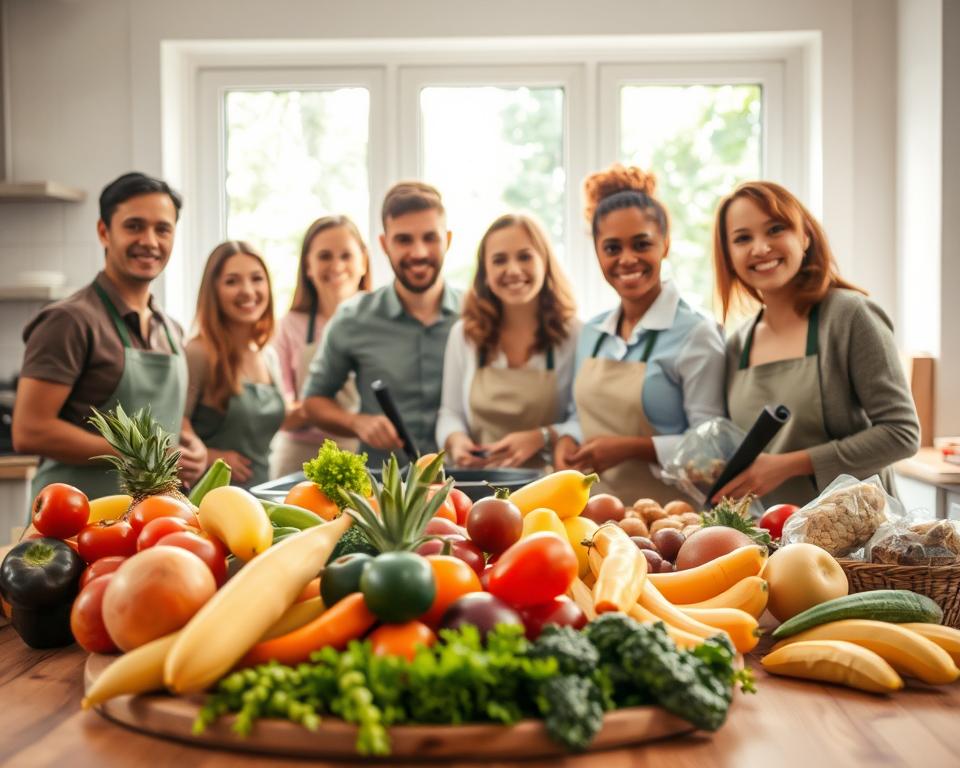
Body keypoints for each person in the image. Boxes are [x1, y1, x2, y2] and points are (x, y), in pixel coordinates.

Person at [711, 181, 920, 506]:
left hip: (857, 537)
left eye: (775, 229)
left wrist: (788, 465)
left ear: (805, 236)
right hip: (773, 540)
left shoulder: (850, 316)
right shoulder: (738, 343)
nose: (761, 247)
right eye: (742, 238)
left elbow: (902, 434)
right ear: (729, 256)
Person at [13, 172, 206, 499]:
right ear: (104, 232)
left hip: (154, 521)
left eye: (163, 229)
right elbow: (30, 430)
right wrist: (139, 456)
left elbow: (170, 419)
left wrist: (193, 444)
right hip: (76, 521)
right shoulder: (70, 321)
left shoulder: (171, 329)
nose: (149, 241)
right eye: (134, 226)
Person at [553, 164, 726, 504]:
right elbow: (579, 416)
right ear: (598, 252)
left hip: (672, 521)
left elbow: (712, 447)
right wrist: (567, 439)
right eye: (612, 248)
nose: (627, 259)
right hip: (594, 515)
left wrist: (634, 449)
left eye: (641, 244)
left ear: (665, 245)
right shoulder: (591, 332)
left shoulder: (697, 335)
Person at [302, 181, 461, 466]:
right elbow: (314, 401)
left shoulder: (477, 314)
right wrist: (358, 422)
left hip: (467, 485)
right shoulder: (353, 318)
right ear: (384, 244)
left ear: (447, 240)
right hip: (384, 492)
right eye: (404, 240)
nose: (419, 252)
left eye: (430, 238)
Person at [436, 213, 579, 469]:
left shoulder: (574, 335)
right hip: (478, 488)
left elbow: (583, 422)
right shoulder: (464, 335)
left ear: (545, 262)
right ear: (485, 273)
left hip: (548, 489)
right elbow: (450, 413)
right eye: (499, 260)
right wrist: (456, 440)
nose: (512, 270)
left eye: (525, 256)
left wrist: (541, 437)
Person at [185, 241, 297, 489]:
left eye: (256, 279)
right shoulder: (198, 353)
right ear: (213, 291)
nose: (247, 290)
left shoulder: (268, 356)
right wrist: (211, 456)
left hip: (260, 494)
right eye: (232, 281)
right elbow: (171, 430)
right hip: (208, 499)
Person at [270, 215, 372, 478]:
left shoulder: (380, 324)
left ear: (363, 261)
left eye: (346, 256)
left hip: (364, 458)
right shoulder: (288, 327)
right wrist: (324, 409)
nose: (336, 265)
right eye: (325, 256)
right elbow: (280, 414)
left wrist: (313, 406)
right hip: (298, 462)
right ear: (308, 266)